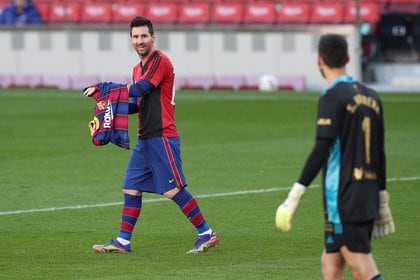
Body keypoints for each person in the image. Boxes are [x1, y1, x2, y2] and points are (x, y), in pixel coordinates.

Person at [83, 16, 219, 254]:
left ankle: (206, 233)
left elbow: (140, 89)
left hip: (162, 136)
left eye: (144, 36)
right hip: (145, 138)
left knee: (172, 190)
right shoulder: (137, 68)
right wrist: (107, 110)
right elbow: (136, 103)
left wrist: (105, 90)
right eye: (135, 37)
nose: (140, 40)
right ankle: (123, 241)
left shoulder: (160, 61)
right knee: (131, 187)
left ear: (153, 37)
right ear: (131, 40)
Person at [275, 34, 395, 280]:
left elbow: (322, 147)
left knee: (363, 268)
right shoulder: (372, 97)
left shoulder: (332, 97)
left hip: (345, 197)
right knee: (331, 265)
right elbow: (379, 153)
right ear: (348, 58)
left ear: (319, 60)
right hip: (366, 192)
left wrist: (294, 195)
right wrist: (382, 198)